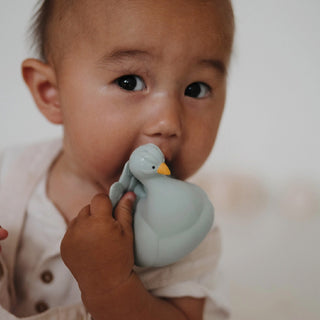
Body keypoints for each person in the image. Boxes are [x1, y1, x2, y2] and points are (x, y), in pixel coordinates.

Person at [0, 0, 235, 319]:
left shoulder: (184, 228)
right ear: (51, 92)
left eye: (196, 88)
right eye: (129, 82)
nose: (168, 122)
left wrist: (110, 286)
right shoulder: (6, 176)